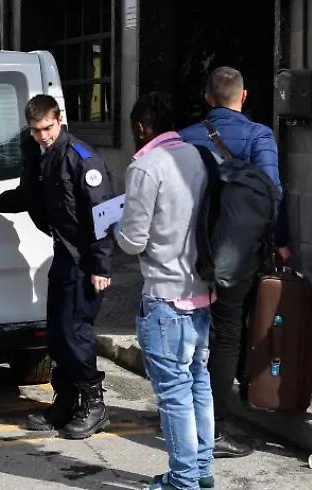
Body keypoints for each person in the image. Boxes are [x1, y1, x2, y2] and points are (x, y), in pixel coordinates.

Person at [0, 94, 113, 440]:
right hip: (64, 254)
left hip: (85, 258)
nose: (42, 135)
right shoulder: (40, 155)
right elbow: (28, 196)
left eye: (47, 128)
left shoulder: (81, 158)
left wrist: (101, 266)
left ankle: (94, 406)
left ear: (59, 121)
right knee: (58, 333)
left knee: (76, 332)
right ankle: (67, 401)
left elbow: (104, 216)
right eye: (35, 130)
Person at [179, 66, 291, 458]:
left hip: (189, 250)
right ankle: (214, 422)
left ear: (208, 98)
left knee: (190, 331)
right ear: (243, 97)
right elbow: (273, 192)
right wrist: (282, 242)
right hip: (237, 252)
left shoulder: (183, 138)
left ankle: (182, 415)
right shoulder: (259, 136)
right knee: (228, 331)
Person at [114, 92, 214, 490]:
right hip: (203, 291)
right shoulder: (202, 157)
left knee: (174, 393)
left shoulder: (146, 166)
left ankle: (183, 479)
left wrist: (115, 227)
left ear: (141, 128)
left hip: (165, 295)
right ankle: (201, 469)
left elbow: (133, 240)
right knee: (198, 382)